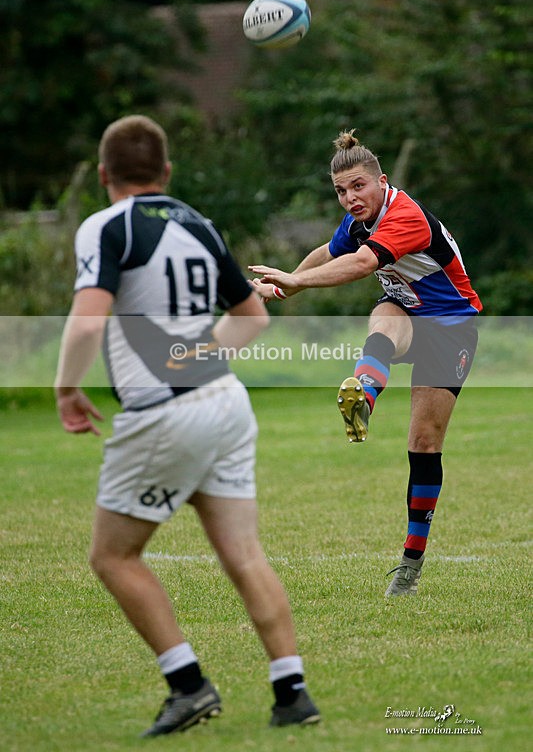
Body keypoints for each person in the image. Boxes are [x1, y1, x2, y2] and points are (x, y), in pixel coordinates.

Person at [54, 114, 320, 736]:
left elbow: (89, 322)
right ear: (167, 172)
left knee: (114, 555)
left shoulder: (106, 225)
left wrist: (66, 386)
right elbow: (252, 317)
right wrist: (195, 359)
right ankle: (292, 691)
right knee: (243, 552)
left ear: (103, 175)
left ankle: (188, 685)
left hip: (165, 411)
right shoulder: (197, 223)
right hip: (226, 403)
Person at [249, 129, 481, 598]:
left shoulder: (405, 216)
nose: (350, 198)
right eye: (340, 191)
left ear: (381, 182)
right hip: (408, 315)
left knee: (423, 442)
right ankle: (365, 395)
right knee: (384, 314)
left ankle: (410, 566)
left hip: (452, 328)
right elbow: (330, 252)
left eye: (358, 186)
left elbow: (359, 265)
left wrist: (298, 284)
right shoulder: (359, 220)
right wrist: (287, 280)